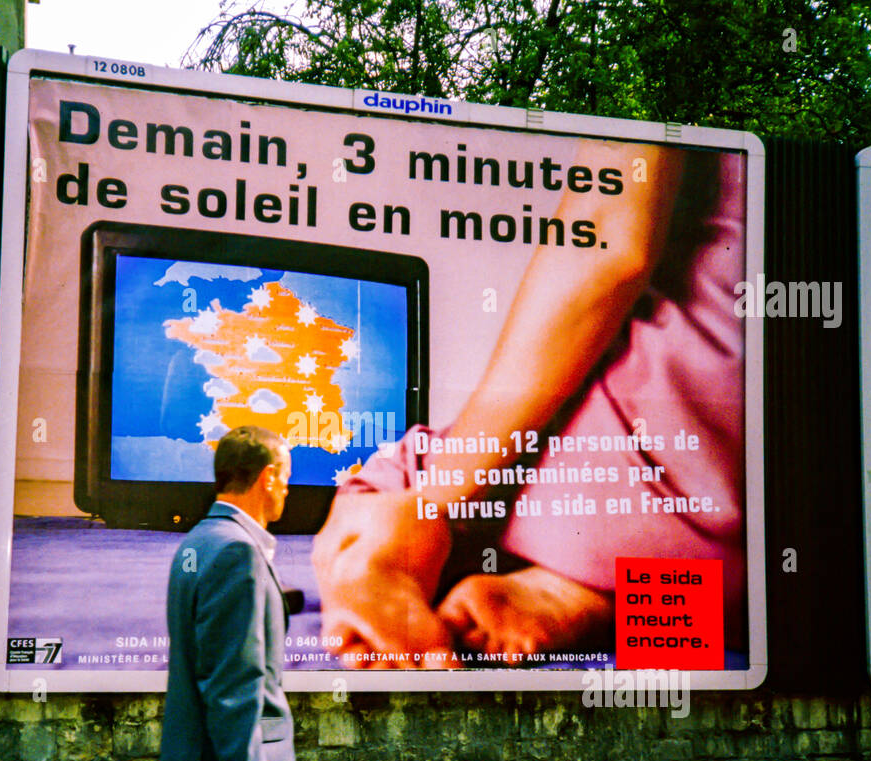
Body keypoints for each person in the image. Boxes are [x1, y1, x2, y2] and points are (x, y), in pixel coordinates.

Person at [312, 143, 747, 667]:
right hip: (745, 532)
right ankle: (601, 600)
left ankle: (392, 542)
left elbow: (609, 243)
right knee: (761, 603)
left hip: (658, 446)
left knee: (391, 485)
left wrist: (430, 501)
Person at [159, 424, 308, 761]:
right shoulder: (237, 553)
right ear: (268, 477)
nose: (287, 490)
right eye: (286, 478)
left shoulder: (199, 542)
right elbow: (234, 691)